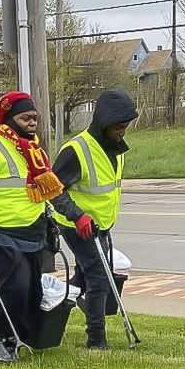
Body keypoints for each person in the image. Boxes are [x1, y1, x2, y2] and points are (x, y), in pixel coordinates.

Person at [0, 92, 65, 363]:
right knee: (15, 288)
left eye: (35, 118)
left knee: (32, 292)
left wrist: (49, 222)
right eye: (25, 118)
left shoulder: (35, 152)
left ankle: (15, 331)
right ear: (8, 119)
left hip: (31, 232)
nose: (32, 123)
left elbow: (40, 192)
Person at [51, 89, 139, 350]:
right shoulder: (76, 150)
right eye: (118, 127)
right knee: (99, 277)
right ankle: (96, 340)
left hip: (101, 225)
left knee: (84, 278)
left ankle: (50, 307)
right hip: (77, 226)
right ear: (103, 123)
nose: (122, 132)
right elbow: (52, 189)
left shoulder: (115, 149)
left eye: (125, 127)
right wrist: (77, 216)